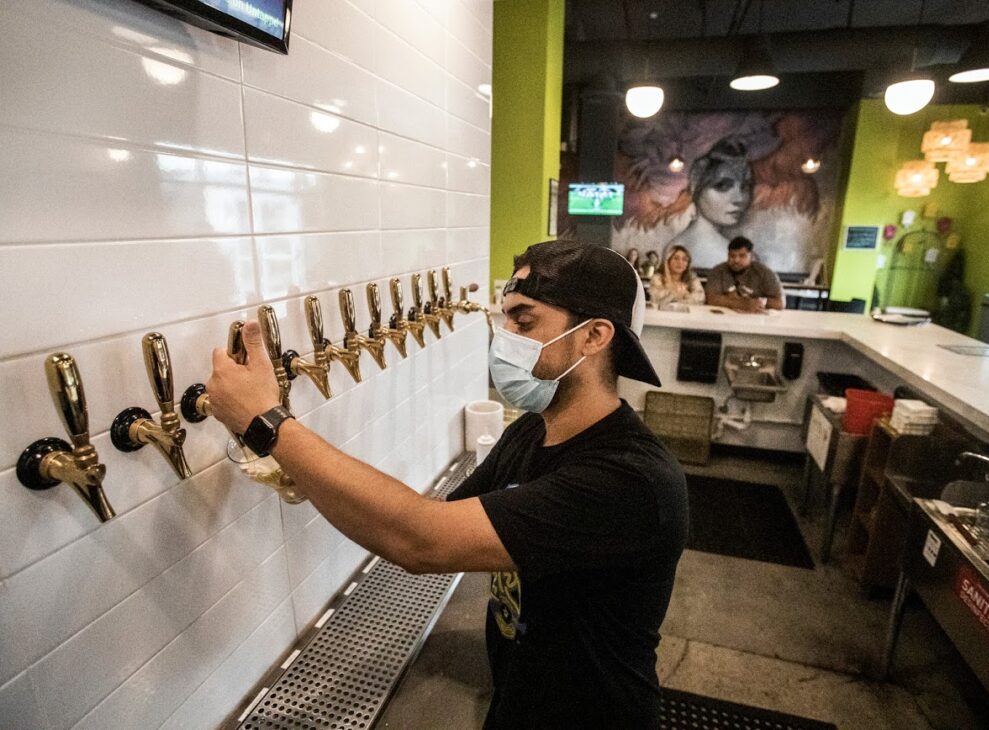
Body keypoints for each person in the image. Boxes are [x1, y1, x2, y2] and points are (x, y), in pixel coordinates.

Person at [205, 240, 689, 730]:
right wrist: (301, 466)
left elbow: (422, 541)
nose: (505, 338)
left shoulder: (630, 481)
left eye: (524, 322)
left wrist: (267, 423)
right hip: (520, 703)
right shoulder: (531, 431)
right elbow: (433, 516)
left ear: (594, 336)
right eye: (506, 320)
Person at [667, 137, 752, 269]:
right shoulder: (718, 253)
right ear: (697, 188)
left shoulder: (730, 251)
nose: (739, 198)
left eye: (745, 187)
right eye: (723, 186)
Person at [705, 236, 784, 312]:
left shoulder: (765, 273)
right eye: (732, 256)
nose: (736, 260)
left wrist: (759, 302)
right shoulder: (718, 271)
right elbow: (711, 299)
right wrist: (743, 304)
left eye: (742, 256)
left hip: (757, 320)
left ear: (752, 256)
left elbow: (780, 303)